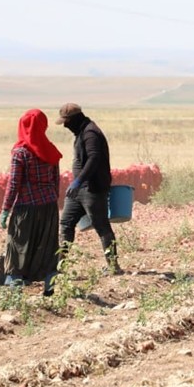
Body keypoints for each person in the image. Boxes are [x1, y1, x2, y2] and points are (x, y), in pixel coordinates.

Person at [0, 109, 62, 293]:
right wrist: (50, 201)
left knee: (17, 244)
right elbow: (56, 181)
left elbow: (13, 184)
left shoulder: (20, 153)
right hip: (49, 206)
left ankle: (14, 290)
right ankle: (50, 288)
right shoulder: (50, 150)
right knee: (48, 246)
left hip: (26, 207)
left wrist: (5, 209)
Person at [57, 103, 120, 278]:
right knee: (65, 223)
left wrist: (78, 180)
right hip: (78, 191)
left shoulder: (90, 132)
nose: (64, 125)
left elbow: (94, 158)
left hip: (92, 188)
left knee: (101, 225)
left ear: (76, 118)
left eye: (66, 121)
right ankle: (60, 266)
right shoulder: (81, 131)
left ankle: (113, 266)